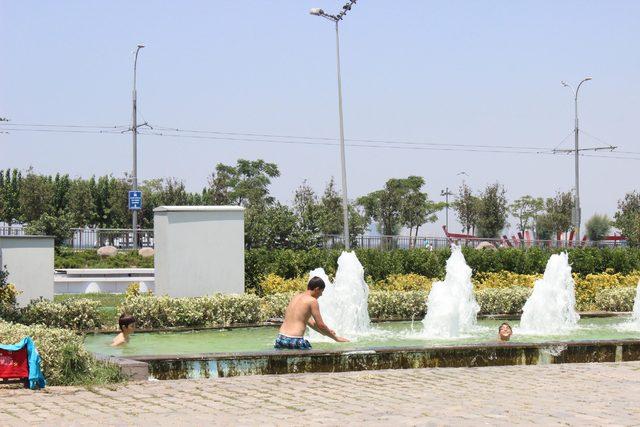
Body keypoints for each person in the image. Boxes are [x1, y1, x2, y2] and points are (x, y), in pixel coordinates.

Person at [275, 276, 349, 349]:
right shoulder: (312, 301)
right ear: (317, 289)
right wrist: (336, 338)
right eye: (321, 291)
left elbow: (310, 322)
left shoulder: (296, 297)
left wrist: (326, 332)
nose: (321, 294)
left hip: (280, 338)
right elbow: (321, 325)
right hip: (295, 340)